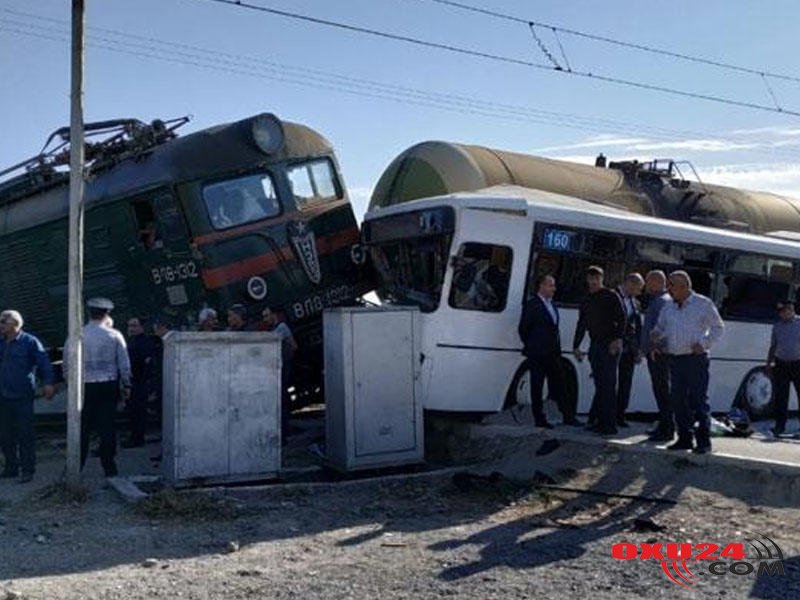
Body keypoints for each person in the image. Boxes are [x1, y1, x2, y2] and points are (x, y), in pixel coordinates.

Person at [651, 271, 724, 454]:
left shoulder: (702, 304)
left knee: (698, 401)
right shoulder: (668, 306)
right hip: (675, 359)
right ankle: (684, 438)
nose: (669, 289)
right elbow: (661, 327)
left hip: (695, 359)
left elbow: (718, 327)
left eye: (672, 286)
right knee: (677, 400)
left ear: (684, 287)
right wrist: (656, 336)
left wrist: (704, 344)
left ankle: (703, 441)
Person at [64, 298, 132, 477]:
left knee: (82, 427)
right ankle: (109, 467)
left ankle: (75, 468)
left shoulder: (77, 335)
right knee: (107, 427)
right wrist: (126, 385)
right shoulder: (115, 335)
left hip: (84, 387)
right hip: (108, 385)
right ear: (106, 314)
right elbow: (124, 364)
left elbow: (67, 364)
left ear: (89, 313)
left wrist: (71, 384)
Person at [518, 275, 580, 428]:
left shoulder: (551, 304)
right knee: (537, 386)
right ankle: (539, 418)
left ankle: (568, 416)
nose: (554, 289)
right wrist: (532, 344)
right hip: (537, 353)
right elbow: (523, 328)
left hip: (553, 352)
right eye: (551, 285)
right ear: (542, 286)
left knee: (560, 383)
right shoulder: (533, 304)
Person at [0, 310, 55, 483]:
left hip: (22, 395)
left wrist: (48, 383)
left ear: (15, 324)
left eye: (3, 321)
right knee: (5, 435)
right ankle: (11, 467)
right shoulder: (1, 343)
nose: (0, 325)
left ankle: (27, 470)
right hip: (3, 395)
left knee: (25, 434)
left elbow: (43, 362)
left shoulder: (29, 342)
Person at [572, 266, 626, 436]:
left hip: (610, 346)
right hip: (595, 345)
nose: (594, 281)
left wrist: (617, 339)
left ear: (602, 279)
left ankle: (610, 426)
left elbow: (623, 318)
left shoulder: (611, 296)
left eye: (597, 278)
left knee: (609, 386)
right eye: (591, 278)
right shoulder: (586, 299)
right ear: (587, 279)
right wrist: (576, 346)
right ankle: (599, 422)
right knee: (600, 385)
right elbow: (581, 323)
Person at [640, 270, 674, 441]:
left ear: (656, 282)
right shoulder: (662, 301)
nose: (645, 285)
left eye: (648, 281)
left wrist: (655, 347)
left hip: (659, 354)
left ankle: (667, 429)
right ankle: (664, 425)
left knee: (662, 391)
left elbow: (664, 329)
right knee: (661, 390)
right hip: (659, 353)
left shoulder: (661, 302)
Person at [260, 308, 298, 441]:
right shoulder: (273, 329)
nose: (265, 319)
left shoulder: (281, 328)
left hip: (282, 366)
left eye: (267, 316)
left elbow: (293, 345)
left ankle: (285, 431)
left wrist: (286, 356)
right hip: (278, 367)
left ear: (274, 315)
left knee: (282, 398)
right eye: (264, 317)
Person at [123, 317, 159, 448]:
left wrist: (145, 381)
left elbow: (147, 363)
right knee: (133, 411)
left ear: (141, 327)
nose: (131, 329)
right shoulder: (131, 341)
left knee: (138, 412)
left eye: (134, 326)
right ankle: (134, 436)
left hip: (139, 381)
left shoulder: (144, 342)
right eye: (129, 326)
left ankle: (137, 438)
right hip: (133, 381)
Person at [614, 273, 645, 428]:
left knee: (625, 383)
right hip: (615, 347)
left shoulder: (636, 303)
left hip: (630, 349)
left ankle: (620, 415)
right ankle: (604, 415)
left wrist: (639, 349)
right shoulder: (613, 297)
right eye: (638, 288)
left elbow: (638, 327)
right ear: (630, 284)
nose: (639, 292)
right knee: (610, 383)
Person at [766, 299, 800, 437]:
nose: (783, 314)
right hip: (781, 364)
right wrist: (769, 363)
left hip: (798, 363)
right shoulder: (777, 326)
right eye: (781, 312)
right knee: (781, 397)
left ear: (792, 310)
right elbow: (773, 345)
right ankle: (779, 427)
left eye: (786, 310)